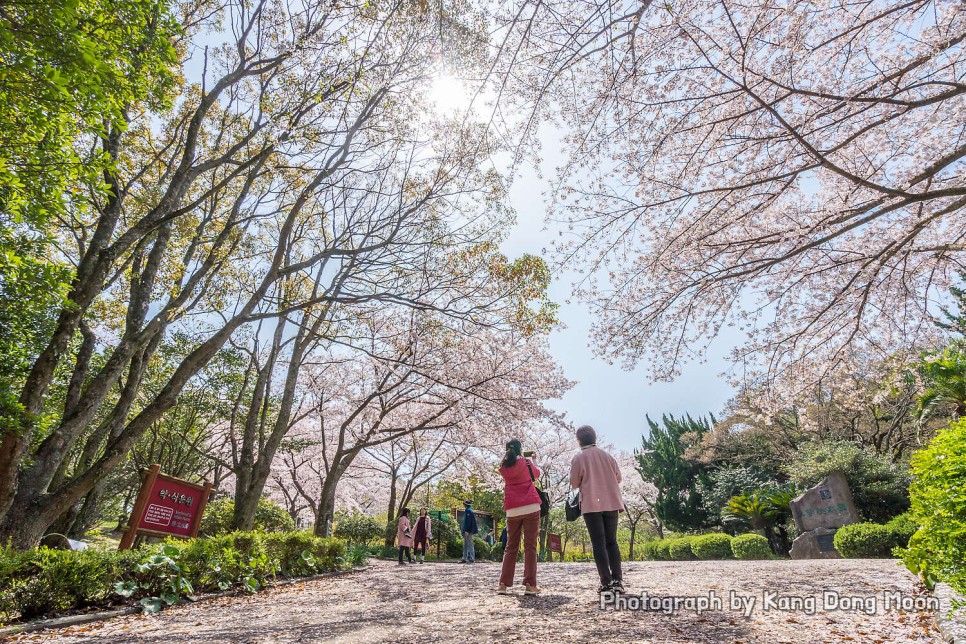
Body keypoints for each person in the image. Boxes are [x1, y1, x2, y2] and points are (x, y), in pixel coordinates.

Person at [570, 425, 625, 594]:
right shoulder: (607, 456)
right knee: (612, 542)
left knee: (598, 544)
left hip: (592, 504)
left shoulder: (579, 457)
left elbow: (574, 483)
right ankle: (618, 581)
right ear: (595, 438)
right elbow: (619, 478)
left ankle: (605, 582)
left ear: (579, 440)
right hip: (611, 502)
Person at [497, 438, 542, 595]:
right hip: (530, 506)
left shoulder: (504, 466)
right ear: (520, 449)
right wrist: (533, 460)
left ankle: (503, 584)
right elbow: (536, 475)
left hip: (512, 509)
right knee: (530, 546)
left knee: (511, 546)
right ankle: (530, 585)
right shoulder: (526, 462)